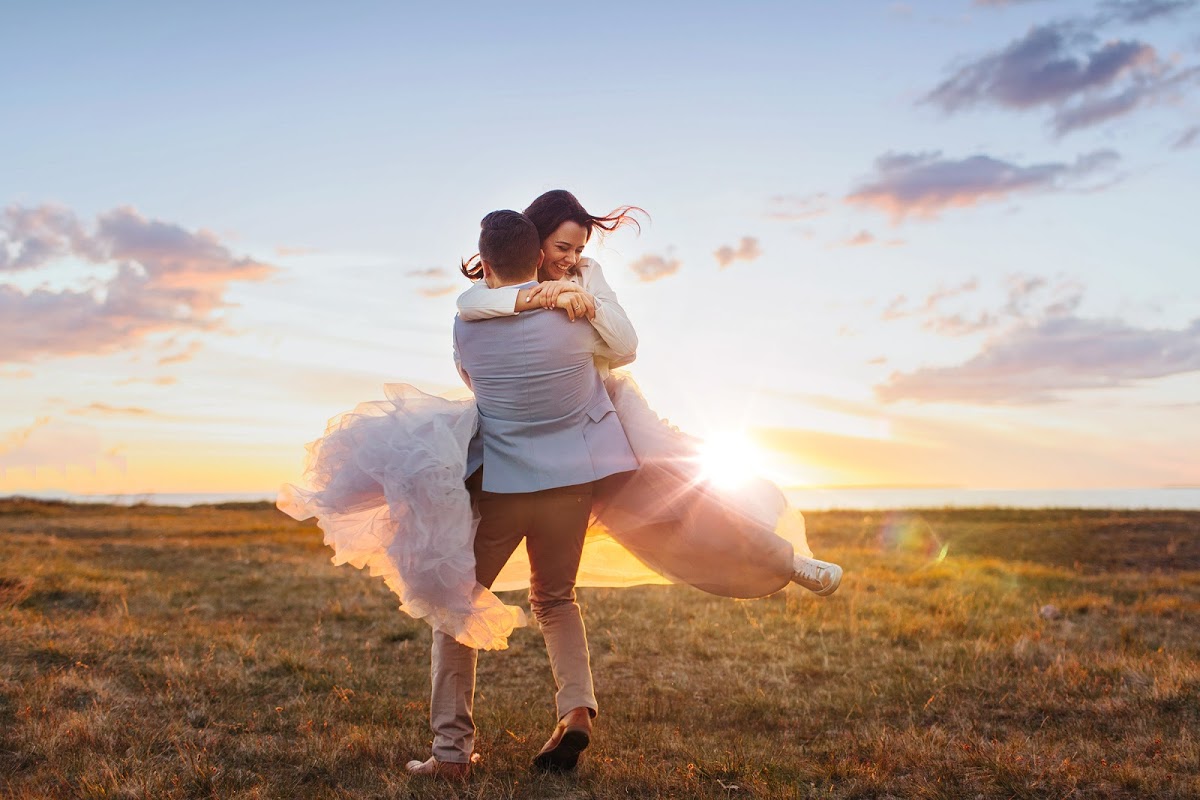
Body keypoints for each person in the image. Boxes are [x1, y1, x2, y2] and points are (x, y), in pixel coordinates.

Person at [455, 190, 842, 601]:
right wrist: (538, 296)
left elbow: (625, 347)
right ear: (535, 243)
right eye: (562, 247)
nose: (570, 258)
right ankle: (459, 610)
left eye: (578, 248)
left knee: (676, 483)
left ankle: (785, 558)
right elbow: (468, 303)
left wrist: (586, 304)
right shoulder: (495, 290)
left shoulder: (586, 275)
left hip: (605, 405)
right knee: (628, 524)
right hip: (550, 435)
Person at [406, 209, 637, 777]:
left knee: (458, 608)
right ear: (539, 255)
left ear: (484, 261)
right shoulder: (579, 322)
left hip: (503, 487)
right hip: (570, 486)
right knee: (556, 601)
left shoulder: (465, 328)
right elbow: (621, 353)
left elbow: (470, 382)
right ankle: (576, 709)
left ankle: (452, 752)